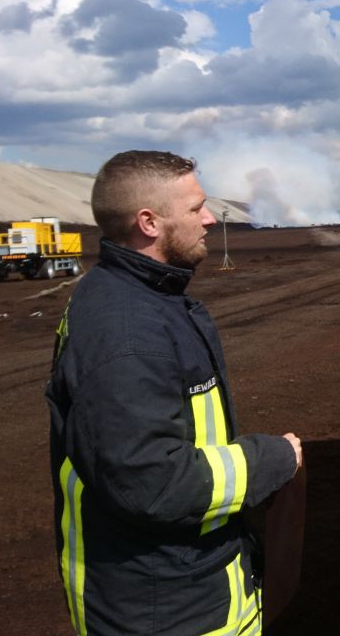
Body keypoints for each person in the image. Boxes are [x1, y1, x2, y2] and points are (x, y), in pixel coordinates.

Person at [45, 150, 303, 635]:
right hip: (164, 607)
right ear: (149, 222)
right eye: (195, 208)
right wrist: (271, 459)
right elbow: (152, 481)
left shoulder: (143, 299)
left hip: (182, 584)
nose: (208, 219)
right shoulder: (126, 332)